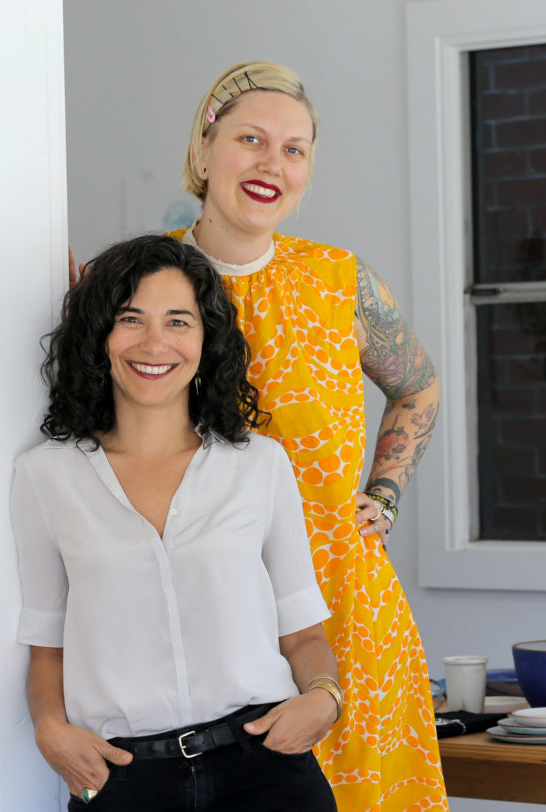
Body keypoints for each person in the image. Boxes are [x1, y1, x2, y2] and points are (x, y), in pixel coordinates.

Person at [172, 61, 446, 811]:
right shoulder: (143, 282)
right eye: (251, 139)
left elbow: (419, 385)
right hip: (207, 604)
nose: (273, 163)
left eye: (295, 150)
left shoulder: (339, 280)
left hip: (346, 610)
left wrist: (382, 498)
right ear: (204, 151)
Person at [14, 234, 341, 811]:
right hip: (125, 781)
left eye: (178, 321)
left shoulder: (260, 465)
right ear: (100, 338)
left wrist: (324, 698)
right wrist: (49, 729)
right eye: (130, 319)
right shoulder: (46, 477)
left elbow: (304, 635)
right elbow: (46, 648)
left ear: (207, 338)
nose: (155, 342)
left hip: (266, 772)